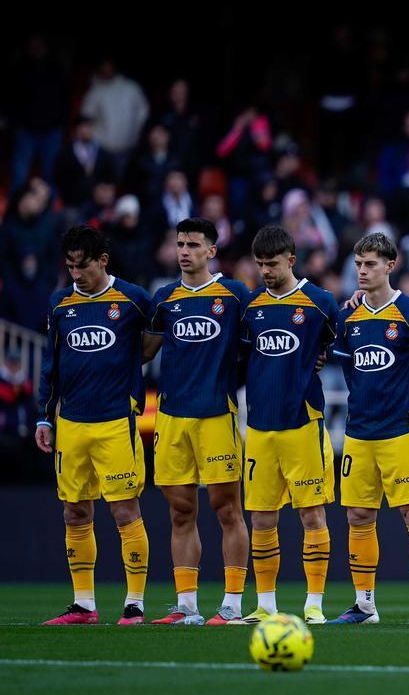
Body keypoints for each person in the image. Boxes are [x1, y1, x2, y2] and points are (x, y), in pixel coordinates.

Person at [37, 227, 153, 626]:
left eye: (82, 265)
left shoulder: (134, 300)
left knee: (124, 511)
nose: (75, 273)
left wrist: (130, 371)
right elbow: (50, 365)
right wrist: (43, 415)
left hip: (116, 422)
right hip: (71, 423)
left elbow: (157, 337)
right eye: (70, 266)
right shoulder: (60, 304)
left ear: (103, 260)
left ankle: (134, 604)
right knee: (74, 512)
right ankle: (83, 604)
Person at [327, 234, 409, 625]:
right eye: (359, 264)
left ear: (390, 266)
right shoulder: (348, 318)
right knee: (358, 515)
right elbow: (349, 372)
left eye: (371, 264)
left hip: (400, 431)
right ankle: (364, 605)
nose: (362, 271)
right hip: (359, 432)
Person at [141, 218, 251, 625]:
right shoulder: (164, 298)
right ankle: (186, 606)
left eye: (192, 244)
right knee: (180, 513)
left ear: (211, 251)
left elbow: (261, 342)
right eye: (180, 244)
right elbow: (144, 352)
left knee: (227, 510)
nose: (184, 251)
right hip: (170, 417)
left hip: (217, 415)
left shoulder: (234, 294)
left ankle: (232, 607)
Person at [239, 227, 339, 626]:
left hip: (303, 423)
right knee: (262, 518)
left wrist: (324, 356)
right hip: (260, 426)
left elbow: (342, 341)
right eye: (260, 264)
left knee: (312, 515)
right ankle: (265, 603)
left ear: (291, 261)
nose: (265, 270)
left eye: (272, 263)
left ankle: (314, 603)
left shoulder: (320, 303)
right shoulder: (251, 307)